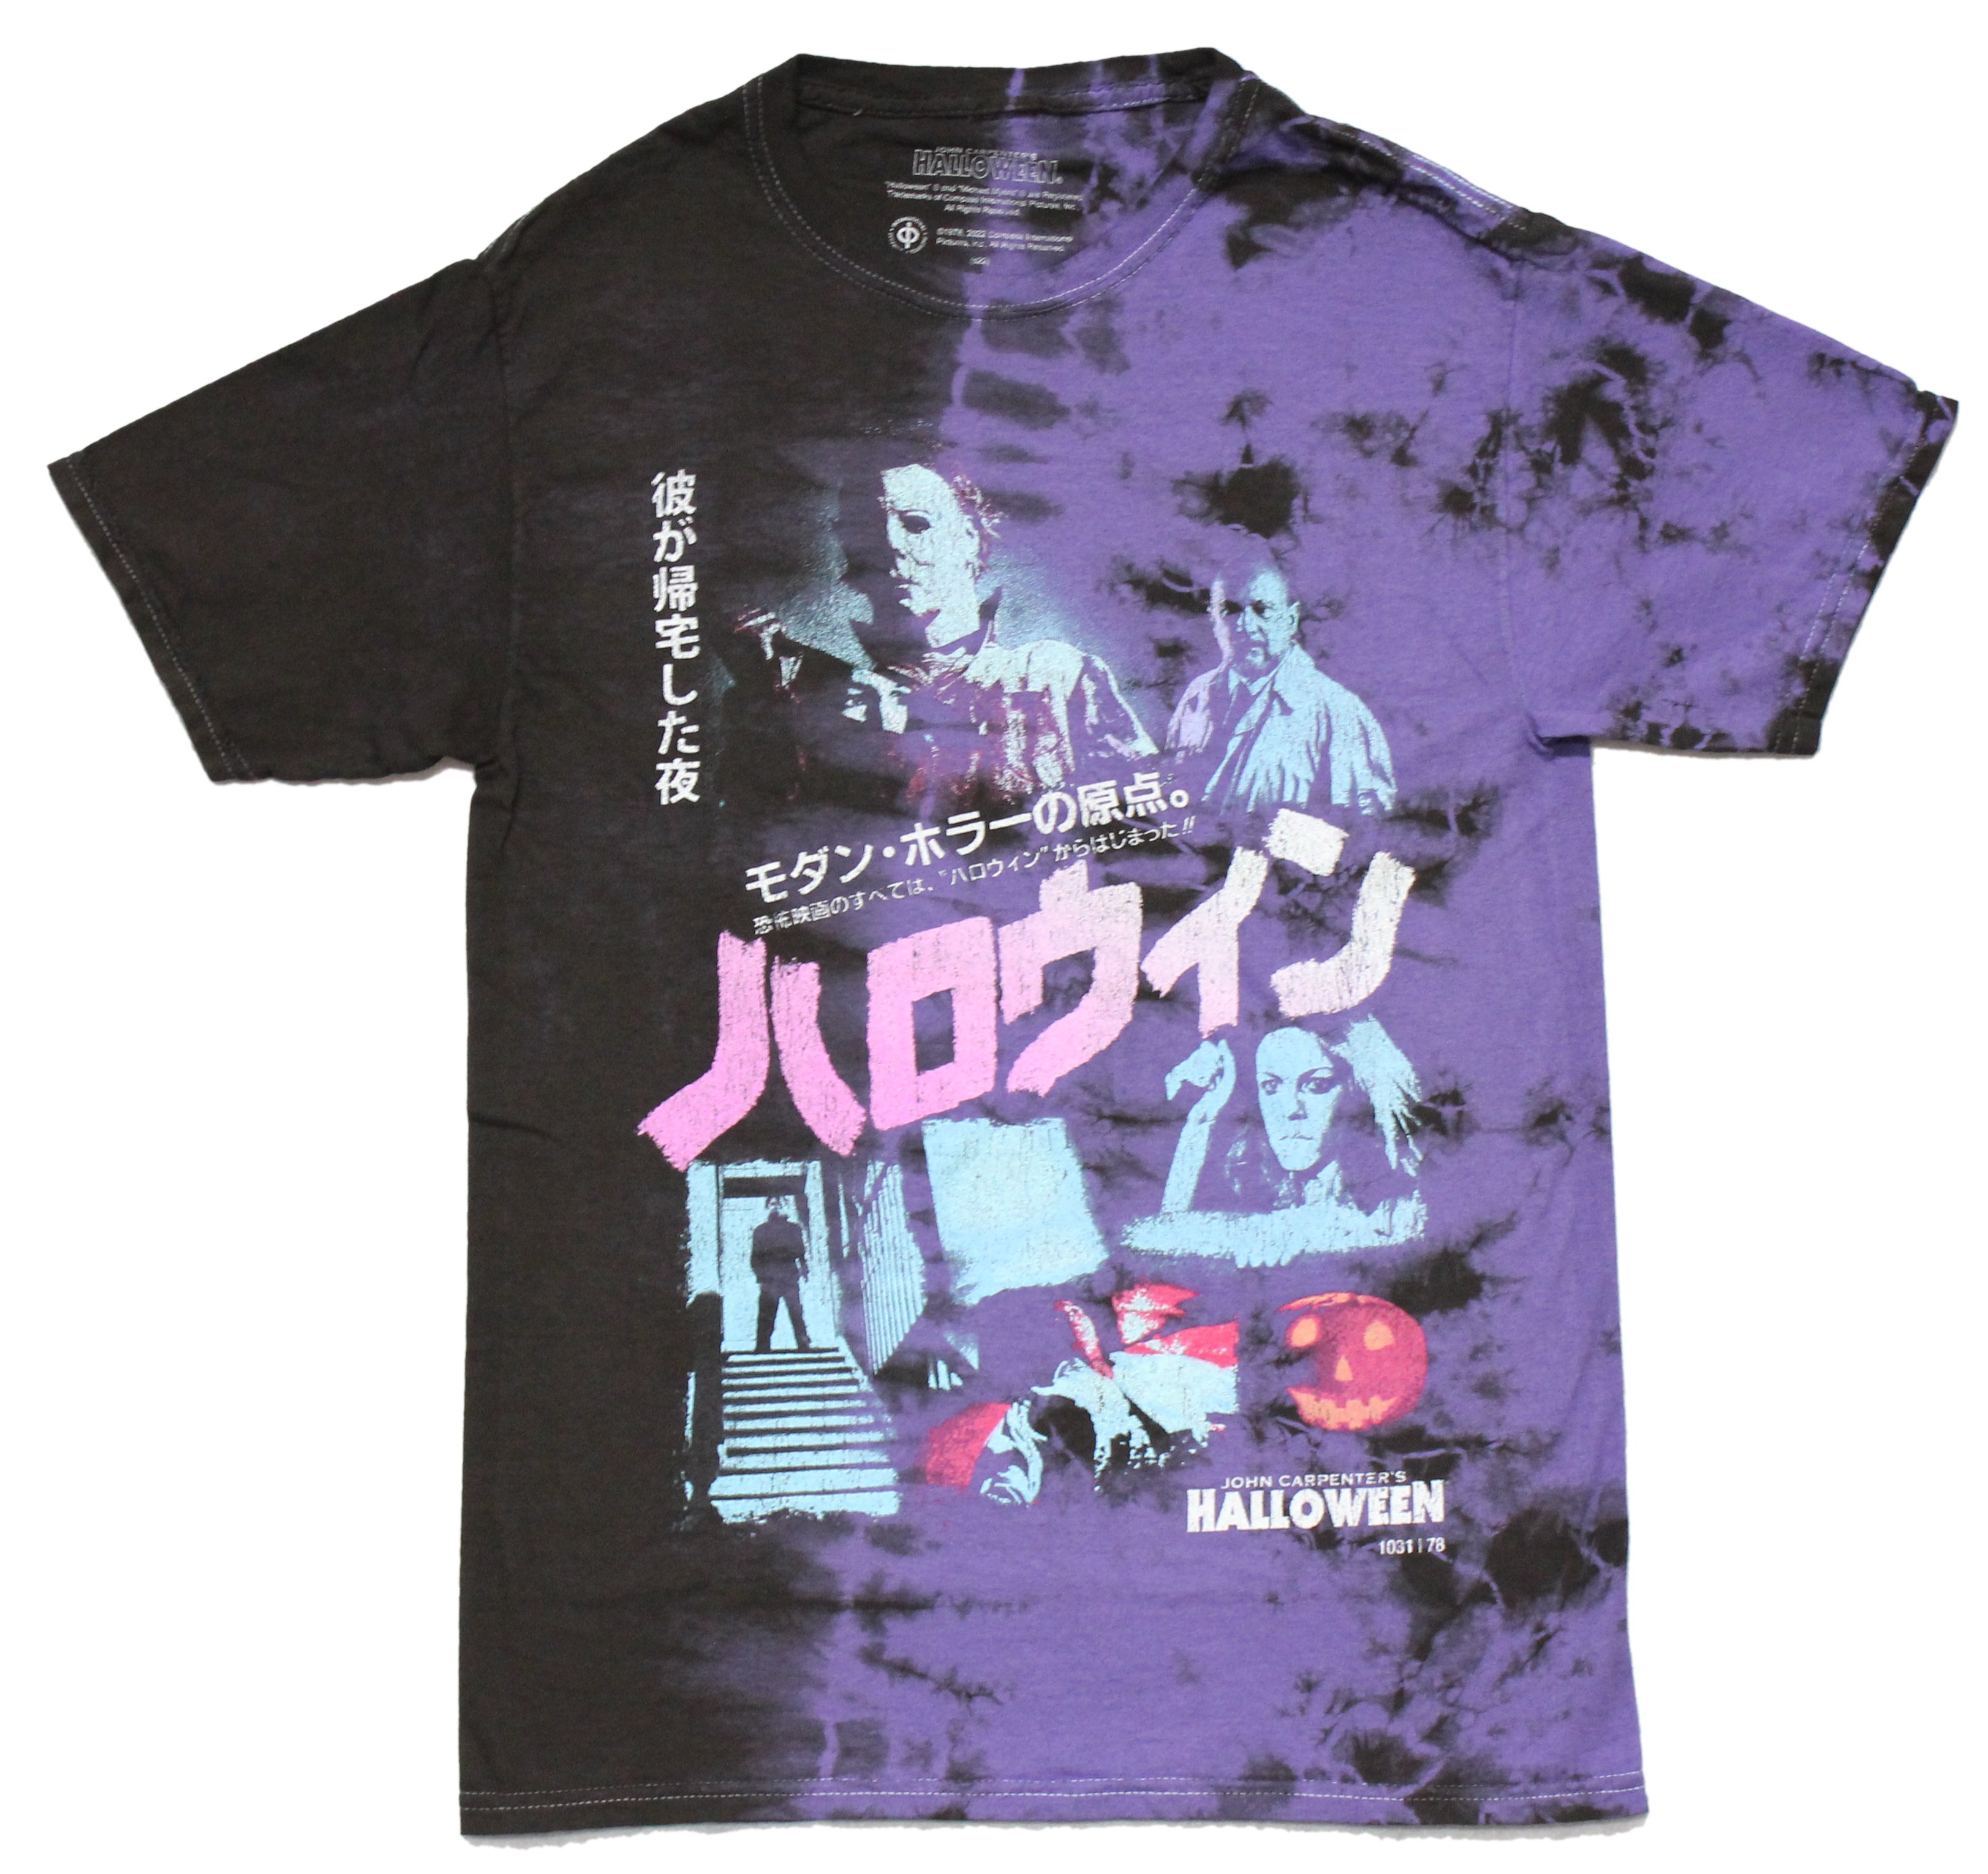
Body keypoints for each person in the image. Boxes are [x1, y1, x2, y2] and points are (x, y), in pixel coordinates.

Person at [866, 464, 1155, 806]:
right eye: (866, 532)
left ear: (969, 537)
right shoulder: (849, 703)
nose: (891, 544)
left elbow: (1152, 806)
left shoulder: (1057, 675)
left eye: (916, 524)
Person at [1124, 1018, 1424, 1264]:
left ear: (1359, 1092)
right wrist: (1201, 1121)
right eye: (1270, 1087)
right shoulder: (1263, 1192)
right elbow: (1163, 1241)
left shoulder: (1401, 1210)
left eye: (1316, 1085)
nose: (1290, 1109)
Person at [1164, 534, 1396, 817]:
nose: (1247, 626)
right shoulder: (1197, 696)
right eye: (1231, 611)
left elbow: (1364, 827)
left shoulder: (1338, 712)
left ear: (1291, 619)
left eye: (1263, 611)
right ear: (1214, 619)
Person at [750, 1196, 812, 1353]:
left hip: (789, 1276)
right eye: (772, 1204)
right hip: (770, 1279)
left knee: (796, 1311)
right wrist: (761, 1276)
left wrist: (804, 1270)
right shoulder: (760, 1231)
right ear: (767, 1208)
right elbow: (755, 1257)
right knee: (766, 1314)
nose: (776, 1207)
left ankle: (803, 1343)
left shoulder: (794, 1229)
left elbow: (801, 1252)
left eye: (779, 1204)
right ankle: (762, 1345)